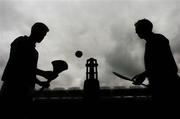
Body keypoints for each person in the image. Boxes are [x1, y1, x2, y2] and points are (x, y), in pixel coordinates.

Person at [0, 22, 57, 119]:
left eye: (44, 35)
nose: (43, 37)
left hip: (26, 90)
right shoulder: (20, 41)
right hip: (13, 87)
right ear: (35, 31)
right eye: (42, 34)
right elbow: (19, 65)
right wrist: (44, 73)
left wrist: (40, 83)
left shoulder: (35, 52)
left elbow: (29, 72)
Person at [132, 19, 179, 106]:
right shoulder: (153, 41)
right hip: (162, 85)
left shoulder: (157, 40)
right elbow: (156, 66)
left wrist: (143, 75)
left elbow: (163, 65)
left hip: (168, 86)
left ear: (144, 29)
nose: (136, 32)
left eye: (137, 29)